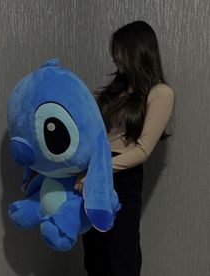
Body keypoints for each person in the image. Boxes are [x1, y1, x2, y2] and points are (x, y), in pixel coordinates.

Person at [72, 20, 175, 276]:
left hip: (122, 176)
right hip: (95, 171)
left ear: (137, 50)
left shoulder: (160, 93)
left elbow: (142, 151)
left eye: (119, 51)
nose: (115, 58)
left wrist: (99, 171)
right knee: (94, 255)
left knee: (122, 256)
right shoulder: (115, 91)